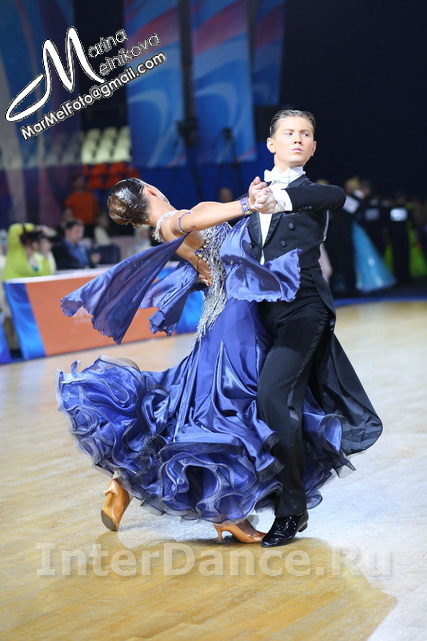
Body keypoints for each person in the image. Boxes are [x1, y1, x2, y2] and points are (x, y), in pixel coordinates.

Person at [57, 167, 381, 544]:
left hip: (225, 313)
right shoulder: (172, 221)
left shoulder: (169, 230)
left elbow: (211, 263)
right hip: (234, 320)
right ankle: (226, 511)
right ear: (150, 190)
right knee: (232, 408)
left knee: (192, 406)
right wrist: (247, 204)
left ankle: (126, 481)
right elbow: (196, 223)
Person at [243, 109, 383, 547]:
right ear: (271, 143)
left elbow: (334, 195)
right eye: (289, 132)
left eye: (306, 134)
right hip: (262, 313)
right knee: (251, 402)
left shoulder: (314, 194)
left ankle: (292, 509)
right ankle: (255, 495)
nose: (298, 138)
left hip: (304, 309)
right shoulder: (252, 197)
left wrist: (278, 201)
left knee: (274, 396)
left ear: (314, 146)